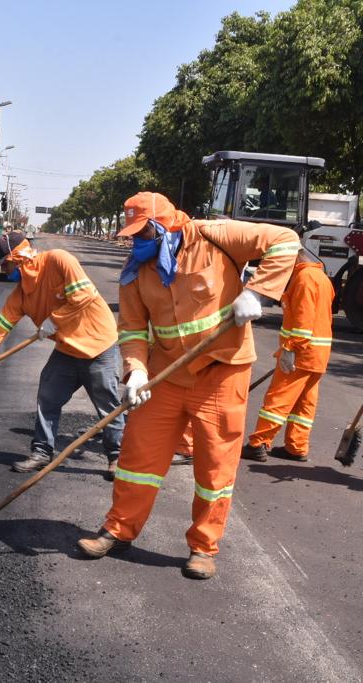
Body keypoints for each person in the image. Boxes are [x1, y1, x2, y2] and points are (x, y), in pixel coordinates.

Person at [77, 191, 299, 580]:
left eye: (142, 231)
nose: (136, 241)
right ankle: (117, 529)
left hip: (221, 370)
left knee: (215, 466)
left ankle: (203, 547)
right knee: (137, 457)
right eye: (131, 233)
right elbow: (131, 328)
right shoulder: (136, 271)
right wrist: (136, 371)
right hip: (165, 375)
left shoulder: (215, 236)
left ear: (165, 222)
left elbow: (286, 241)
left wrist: (257, 291)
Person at [0, 232, 126, 480]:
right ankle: (42, 452)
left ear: (19, 257)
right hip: (67, 350)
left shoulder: (59, 260)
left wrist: (53, 320)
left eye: (5, 264)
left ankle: (116, 456)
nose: (4, 271)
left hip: (98, 345)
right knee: (48, 397)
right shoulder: (21, 294)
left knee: (107, 405)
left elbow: (85, 295)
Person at [243, 243, 334, 463]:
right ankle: (296, 447)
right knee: (304, 402)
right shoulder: (321, 278)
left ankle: (259, 443)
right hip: (318, 354)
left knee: (279, 398)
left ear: (292, 258)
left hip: (301, 351)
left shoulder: (303, 280)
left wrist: (290, 348)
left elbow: (304, 320)